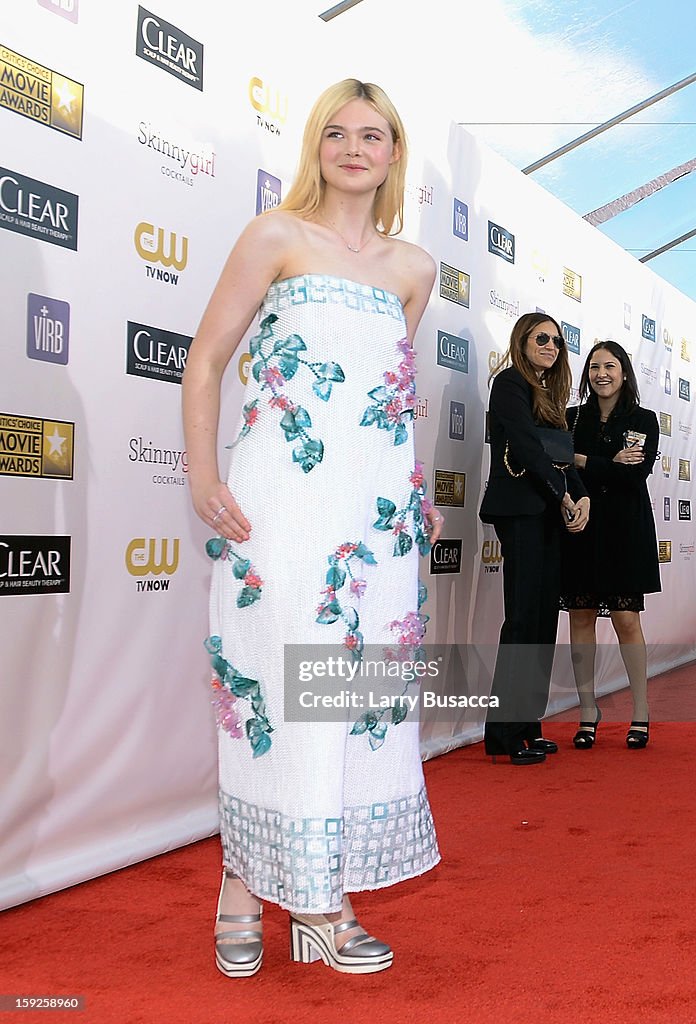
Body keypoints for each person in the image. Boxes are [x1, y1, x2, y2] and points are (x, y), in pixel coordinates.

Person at [182, 78, 442, 978]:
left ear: (396, 152)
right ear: (315, 147)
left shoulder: (414, 269)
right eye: (337, 132)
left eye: (374, 133)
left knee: (340, 698)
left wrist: (412, 490)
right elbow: (206, 361)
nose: (354, 147)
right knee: (274, 688)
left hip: (372, 523)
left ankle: (318, 896)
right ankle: (244, 887)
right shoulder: (275, 237)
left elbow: (390, 397)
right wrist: (204, 472)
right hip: (280, 508)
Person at [479, 312, 590, 765]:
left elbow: (562, 452)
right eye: (541, 338)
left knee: (544, 621)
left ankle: (527, 725)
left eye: (558, 341)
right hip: (521, 512)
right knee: (523, 619)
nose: (551, 346)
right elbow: (526, 447)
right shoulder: (509, 383)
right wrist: (564, 494)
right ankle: (504, 733)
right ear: (521, 341)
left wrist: (581, 497)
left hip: (546, 512)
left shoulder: (549, 394)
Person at [561, 341, 660, 750]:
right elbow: (560, 466)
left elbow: (632, 477)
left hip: (625, 529)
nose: (602, 373)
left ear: (624, 372)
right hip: (579, 528)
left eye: (610, 366)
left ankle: (641, 712)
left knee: (626, 620)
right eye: (594, 366)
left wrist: (582, 459)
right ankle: (587, 712)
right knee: (580, 616)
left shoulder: (644, 419)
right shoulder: (571, 417)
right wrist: (602, 462)